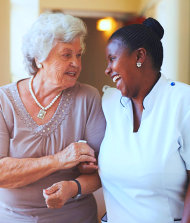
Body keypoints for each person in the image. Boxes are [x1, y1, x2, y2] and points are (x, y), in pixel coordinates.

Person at [0, 12, 105, 223]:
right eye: (67, 55)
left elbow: (104, 170)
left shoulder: (88, 97)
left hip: (75, 216)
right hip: (15, 217)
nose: (76, 63)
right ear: (39, 59)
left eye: (79, 54)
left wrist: (73, 187)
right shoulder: (4, 101)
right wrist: (59, 160)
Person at [98, 17, 190, 223]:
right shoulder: (109, 103)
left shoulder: (183, 101)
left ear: (140, 56)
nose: (107, 69)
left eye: (112, 59)